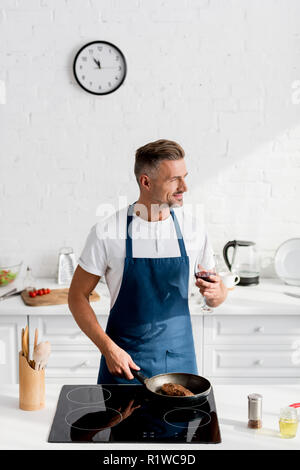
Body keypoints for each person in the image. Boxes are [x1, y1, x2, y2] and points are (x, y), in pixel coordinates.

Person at [68, 139, 227, 384]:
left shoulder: (194, 230)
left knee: (178, 423)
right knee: (122, 423)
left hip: (180, 363)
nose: (184, 186)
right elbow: (77, 296)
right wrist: (108, 350)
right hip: (124, 364)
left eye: (185, 177)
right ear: (145, 181)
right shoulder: (108, 231)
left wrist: (218, 293)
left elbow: (213, 295)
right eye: (174, 179)